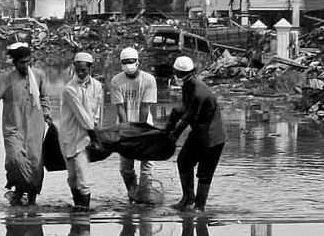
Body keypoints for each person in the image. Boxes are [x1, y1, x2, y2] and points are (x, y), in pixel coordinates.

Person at [0, 42, 53, 206]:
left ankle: (30, 201)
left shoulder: (39, 75)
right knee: (15, 161)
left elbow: (44, 97)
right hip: (14, 128)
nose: (26, 66)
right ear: (15, 63)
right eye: (22, 63)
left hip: (35, 127)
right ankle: (19, 190)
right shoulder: (7, 79)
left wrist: (48, 114)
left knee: (35, 165)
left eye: (28, 62)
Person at [165, 56, 226, 212]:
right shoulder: (188, 85)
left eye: (177, 73)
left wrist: (174, 136)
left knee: (204, 173)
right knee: (183, 160)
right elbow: (182, 108)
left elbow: (188, 116)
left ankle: (199, 207)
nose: (176, 76)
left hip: (212, 137)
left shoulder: (199, 92)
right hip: (199, 131)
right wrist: (170, 123)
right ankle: (188, 199)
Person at [109, 47, 158, 205]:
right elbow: (120, 109)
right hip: (125, 129)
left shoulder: (148, 80)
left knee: (146, 167)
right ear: (121, 64)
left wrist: (140, 133)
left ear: (137, 62)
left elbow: (144, 108)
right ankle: (133, 194)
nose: (128, 65)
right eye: (125, 62)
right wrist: (127, 132)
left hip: (145, 128)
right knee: (125, 168)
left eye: (131, 61)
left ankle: (145, 197)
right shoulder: (116, 81)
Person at [59, 52, 103, 212]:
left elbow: (97, 111)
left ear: (90, 68)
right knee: (72, 177)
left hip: (86, 136)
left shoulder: (97, 86)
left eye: (84, 70)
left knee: (83, 178)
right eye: (78, 70)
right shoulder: (69, 89)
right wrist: (95, 135)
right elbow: (82, 116)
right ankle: (78, 207)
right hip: (70, 136)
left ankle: (83, 214)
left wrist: (96, 131)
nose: (81, 73)